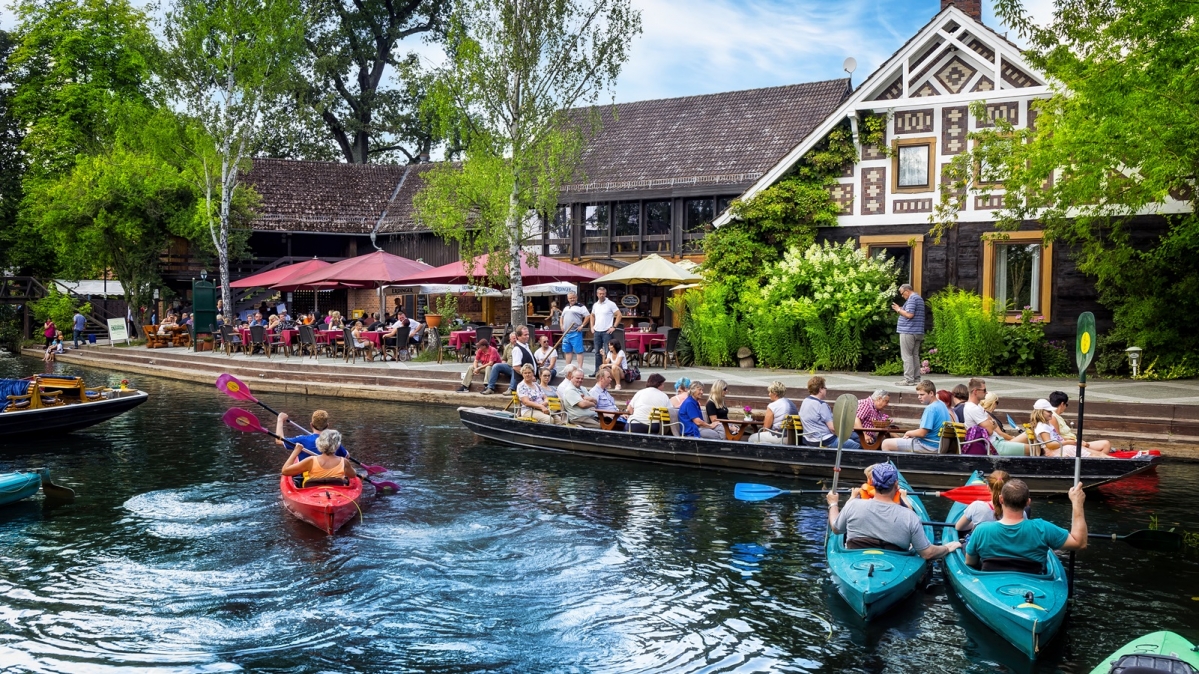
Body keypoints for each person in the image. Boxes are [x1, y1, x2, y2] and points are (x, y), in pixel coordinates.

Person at [827, 462, 962, 557]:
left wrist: (833, 504)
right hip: (894, 559)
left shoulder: (853, 505)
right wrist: (946, 548)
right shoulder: (909, 516)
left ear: (873, 483)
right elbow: (927, 553)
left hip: (855, 557)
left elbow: (836, 528)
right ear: (896, 484)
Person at [965, 479, 1087, 571]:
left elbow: (970, 562)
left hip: (991, 585)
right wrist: (1077, 503)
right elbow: (1080, 543)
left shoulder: (981, 530)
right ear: (1028, 502)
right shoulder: (1043, 528)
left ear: (1001, 499)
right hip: (1033, 583)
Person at [962, 378, 1028, 456]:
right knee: (1033, 448)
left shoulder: (978, 406)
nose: (986, 392)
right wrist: (992, 423)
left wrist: (991, 423)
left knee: (1030, 435)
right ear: (975, 391)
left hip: (998, 441)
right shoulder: (972, 408)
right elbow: (990, 430)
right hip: (994, 445)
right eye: (984, 390)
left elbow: (993, 423)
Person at [882, 380, 952, 453]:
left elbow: (922, 433)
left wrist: (908, 433)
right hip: (939, 445)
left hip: (928, 445)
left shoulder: (931, 409)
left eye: (922, 394)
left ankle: (889, 465)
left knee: (886, 444)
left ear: (931, 393)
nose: (919, 397)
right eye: (918, 395)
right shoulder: (942, 404)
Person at [799, 376, 861, 448]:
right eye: (825, 388)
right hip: (825, 440)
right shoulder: (821, 405)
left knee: (853, 437)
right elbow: (833, 428)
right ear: (820, 389)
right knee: (856, 443)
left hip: (809, 440)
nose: (826, 390)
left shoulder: (805, 401)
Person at [281, 429, 354, 486]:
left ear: (319, 444)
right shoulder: (344, 462)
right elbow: (353, 475)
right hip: (337, 494)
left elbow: (285, 471)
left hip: (313, 493)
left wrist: (296, 451)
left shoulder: (311, 460)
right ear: (337, 446)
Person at [1046, 391, 1112, 454]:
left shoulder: (1057, 416)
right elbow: (1057, 438)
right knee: (1100, 454)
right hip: (1069, 445)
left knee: (1106, 444)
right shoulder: (1053, 417)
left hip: (1074, 442)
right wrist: (1076, 442)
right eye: (1066, 405)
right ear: (1062, 404)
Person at [1031, 406, 1109, 457]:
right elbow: (1050, 445)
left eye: (1051, 411)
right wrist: (1068, 442)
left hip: (1063, 446)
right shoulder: (1042, 426)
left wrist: (1069, 441)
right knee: (1095, 455)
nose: (1051, 413)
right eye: (1049, 411)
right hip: (1060, 449)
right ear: (1040, 412)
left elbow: (1056, 438)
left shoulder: (1046, 424)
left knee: (1099, 454)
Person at [275, 410, 350, 459]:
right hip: (331, 477)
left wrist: (280, 420)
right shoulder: (334, 442)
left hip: (307, 479)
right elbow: (347, 456)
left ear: (311, 425)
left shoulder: (302, 439)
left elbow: (279, 440)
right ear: (327, 425)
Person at [892, 284, 925, 386]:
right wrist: (903, 309)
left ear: (906, 291)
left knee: (907, 356)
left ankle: (908, 379)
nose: (902, 296)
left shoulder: (911, 299)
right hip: (918, 331)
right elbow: (911, 311)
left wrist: (898, 309)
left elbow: (909, 314)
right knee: (914, 355)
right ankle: (916, 378)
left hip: (908, 331)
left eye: (902, 293)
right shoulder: (919, 298)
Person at [590, 286, 622, 375]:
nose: (601, 295)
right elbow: (592, 315)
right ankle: (597, 371)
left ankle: (608, 372)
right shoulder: (595, 305)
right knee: (597, 352)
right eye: (600, 294)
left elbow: (619, 315)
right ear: (597, 294)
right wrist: (592, 326)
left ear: (606, 294)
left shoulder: (611, 304)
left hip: (606, 331)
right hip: (597, 331)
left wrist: (614, 326)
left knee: (608, 352)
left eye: (603, 294)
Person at [560, 292, 590, 371]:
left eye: (573, 297)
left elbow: (588, 316)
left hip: (576, 332)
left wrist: (582, 326)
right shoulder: (566, 307)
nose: (572, 299)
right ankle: (567, 368)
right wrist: (561, 325)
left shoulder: (581, 306)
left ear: (576, 297)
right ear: (568, 299)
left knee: (578, 351)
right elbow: (562, 317)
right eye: (570, 298)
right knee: (567, 351)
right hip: (566, 333)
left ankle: (580, 368)